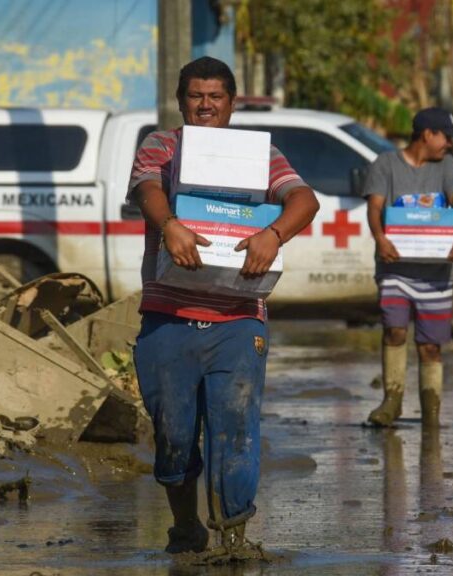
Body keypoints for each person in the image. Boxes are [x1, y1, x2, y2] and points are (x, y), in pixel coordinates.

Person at [128, 56, 319, 558]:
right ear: (180, 101)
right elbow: (146, 188)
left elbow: (304, 199)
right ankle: (186, 527)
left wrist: (273, 235)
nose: (206, 105)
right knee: (172, 435)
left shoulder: (260, 155)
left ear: (232, 103)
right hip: (168, 319)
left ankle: (232, 539)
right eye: (196, 96)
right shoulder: (161, 146)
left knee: (235, 429)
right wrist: (169, 225)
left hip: (238, 319)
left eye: (216, 96)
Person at [363, 107, 453, 428]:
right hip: (395, 267)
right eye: (446, 137)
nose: (449, 144)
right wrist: (380, 238)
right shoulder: (385, 164)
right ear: (427, 134)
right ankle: (392, 400)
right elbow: (374, 207)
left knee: (430, 346)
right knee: (394, 330)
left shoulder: (447, 166)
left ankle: (431, 410)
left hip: (436, 272)